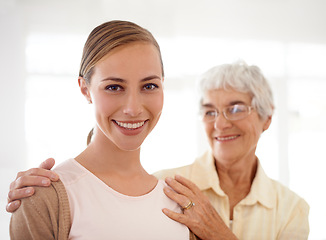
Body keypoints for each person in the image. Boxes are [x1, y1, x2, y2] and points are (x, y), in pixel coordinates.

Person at [7, 61, 310, 239]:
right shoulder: (164, 188)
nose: (220, 124)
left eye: (235, 108)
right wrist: (55, 190)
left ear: (267, 117)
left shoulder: (292, 210)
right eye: (209, 111)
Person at [8, 20, 192, 240]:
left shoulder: (181, 202)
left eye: (149, 86)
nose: (133, 109)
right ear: (85, 90)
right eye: (114, 87)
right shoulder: (45, 197)